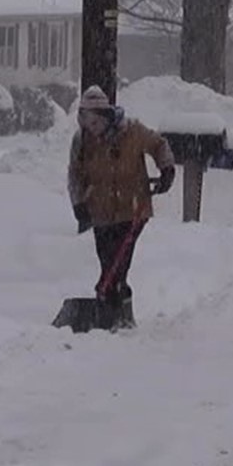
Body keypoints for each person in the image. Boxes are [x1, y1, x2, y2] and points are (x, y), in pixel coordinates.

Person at [67, 86, 175, 322]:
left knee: (119, 260)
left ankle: (110, 305)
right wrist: (78, 204)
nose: (91, 127)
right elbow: (74, 174)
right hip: (100, 210)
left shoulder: (132, 131)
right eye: (86, 121)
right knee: (107, 260)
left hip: (132, 209)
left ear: (105, 116)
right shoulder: (82, 140)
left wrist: (166, 169)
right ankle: (118, 307)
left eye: (95, 121)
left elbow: (159, 145)